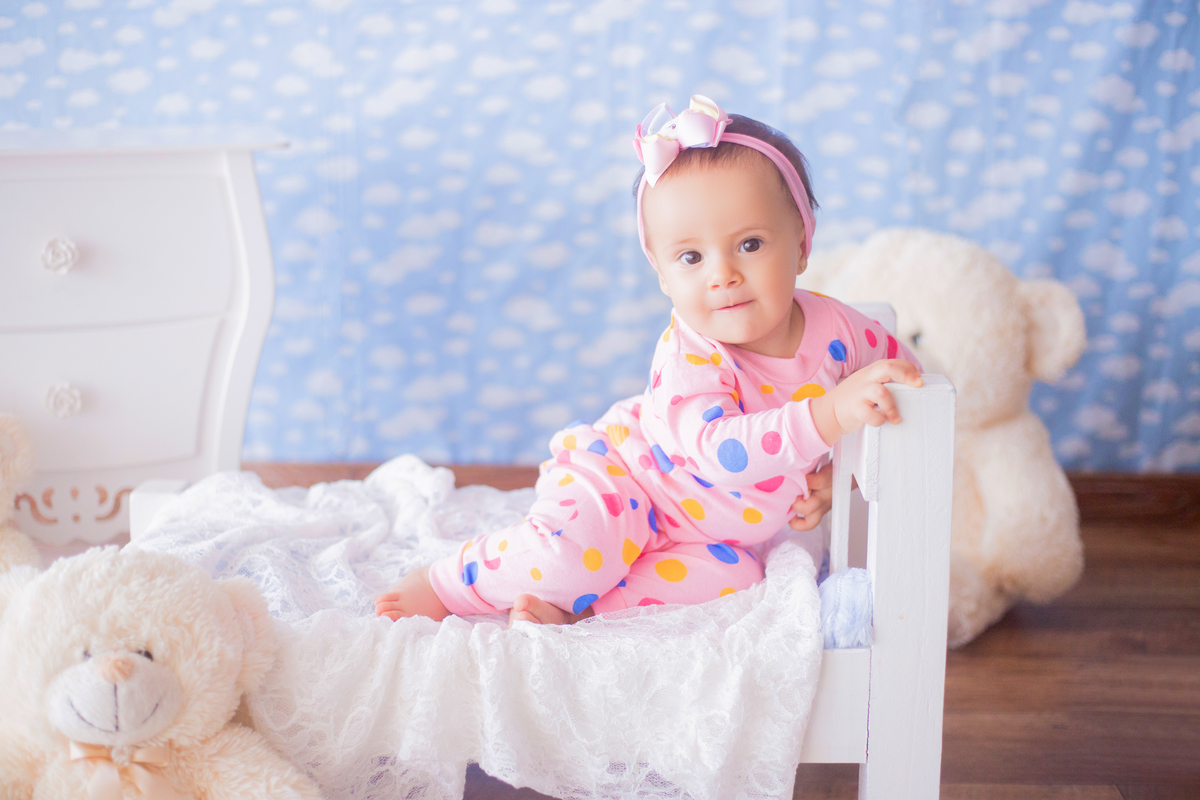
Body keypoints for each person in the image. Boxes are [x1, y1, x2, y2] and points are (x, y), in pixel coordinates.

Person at [375, 95, 920, 627]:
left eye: (750, 244)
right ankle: (451, 581)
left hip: (715, 535)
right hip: (625, 478)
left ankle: (582, 610)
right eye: (691, 256)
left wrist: (841, 474)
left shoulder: (843, 332)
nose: (722, 273)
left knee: (737, 584)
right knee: (566, 556)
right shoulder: (689, 354)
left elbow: (903, 393)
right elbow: (725, 455)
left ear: (802, 244)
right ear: (663, 275)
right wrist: (829, 418)